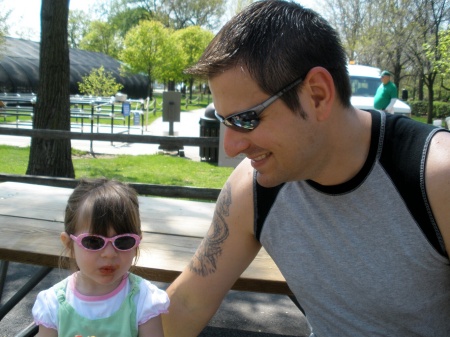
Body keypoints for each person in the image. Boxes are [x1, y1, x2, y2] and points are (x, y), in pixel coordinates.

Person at [161, 1, 450, 336]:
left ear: (317, 95)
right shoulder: (252, 188)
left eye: (246, 119)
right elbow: (187, 304)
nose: (231, 147)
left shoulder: (435, 178)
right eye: (225, 122)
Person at [32, 178, 170, 337]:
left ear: (137, 243)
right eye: (93, 241)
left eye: (124, 241)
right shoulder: (52, 304)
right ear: (70, 244)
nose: (109, 253)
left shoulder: (144, 300)